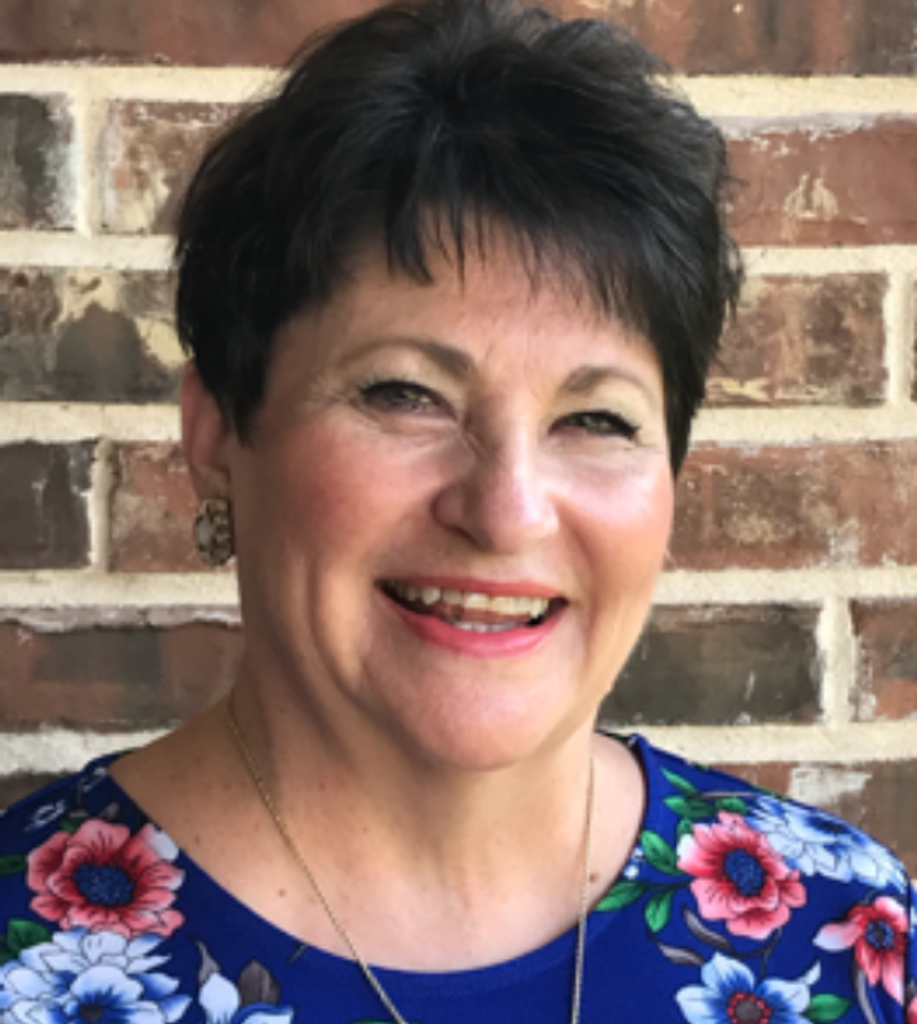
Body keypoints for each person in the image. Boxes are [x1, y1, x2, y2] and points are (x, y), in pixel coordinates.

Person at [0, 2, 914, 1023]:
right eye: (405, 394)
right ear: (217, 428)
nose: (506, 511)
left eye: (596, 418)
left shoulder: (846, 939)